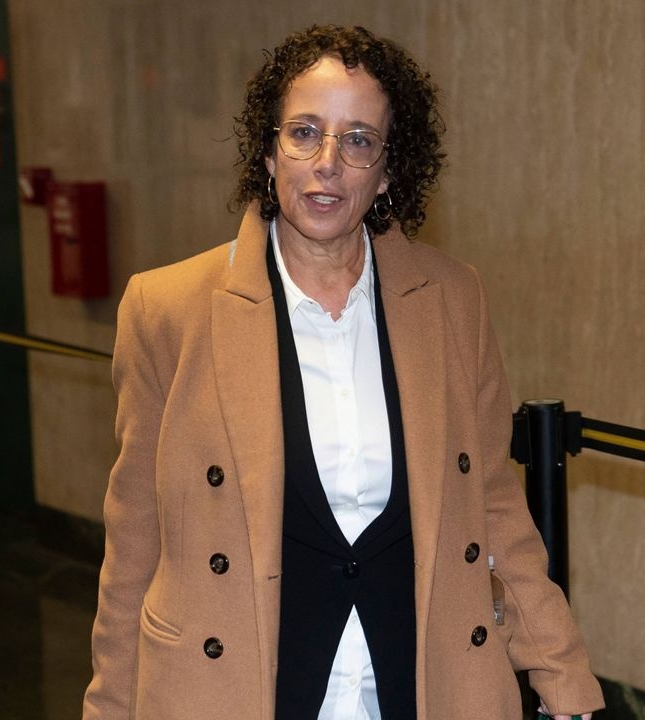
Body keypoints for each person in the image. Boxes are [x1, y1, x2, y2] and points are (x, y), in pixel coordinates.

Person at [83, 24, 603, 720]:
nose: (327, 163)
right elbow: (133, 544)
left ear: (387, 172)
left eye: (358, 140)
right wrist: (108, 708)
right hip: (238, 687)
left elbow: (492, 501)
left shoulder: (452, 299)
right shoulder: (168, 309)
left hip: (418, 678)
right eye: (304, 133)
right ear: (269, 151)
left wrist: (560, 669)